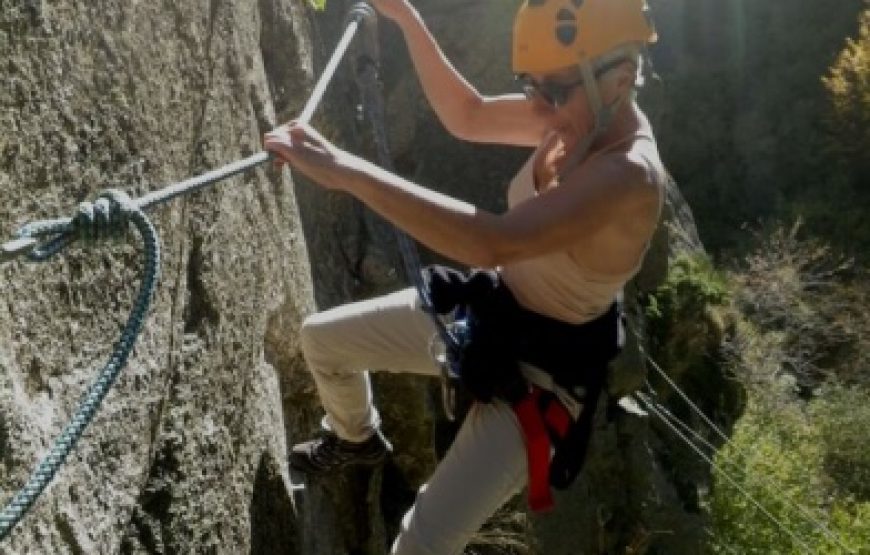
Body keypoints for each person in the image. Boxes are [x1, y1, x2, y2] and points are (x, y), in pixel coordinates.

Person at [264, 0, 665, 553]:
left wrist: (346, 172)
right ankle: (356, 440)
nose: (540, 107)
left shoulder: (629, 176)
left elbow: (494, 240)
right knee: (321, 341)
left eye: (552, 92)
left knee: (418, 546)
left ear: (619, 79)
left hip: (544, 379)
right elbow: (468, 115)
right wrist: (406, 16)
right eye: (532, 87)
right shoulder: (572, 106)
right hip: (491, 315)